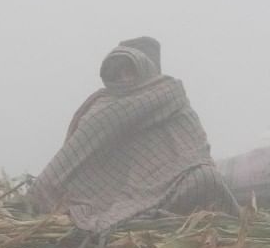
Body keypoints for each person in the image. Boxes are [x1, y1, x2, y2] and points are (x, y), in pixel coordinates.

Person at [32, 37, 237, 235]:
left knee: (206, 178)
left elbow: (196, 153)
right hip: (111, 199)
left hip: (172, 189)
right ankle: (137, 217)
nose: (124, 78)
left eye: (129, 70)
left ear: (146, 69)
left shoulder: (173, 99)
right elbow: (72, 158)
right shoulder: (104, 107)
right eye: (118, 72)